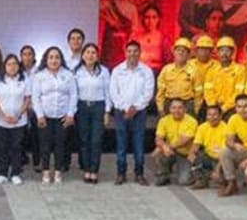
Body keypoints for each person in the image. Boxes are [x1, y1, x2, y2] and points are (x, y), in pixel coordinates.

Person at [108, 40, 155, 186]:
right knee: (121, 144)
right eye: (130, 51)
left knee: (138, 144)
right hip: (121, 113)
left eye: (135, 51)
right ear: (125, 52)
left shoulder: (146, 71)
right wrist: (125, 108)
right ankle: (121, 173)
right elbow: (113, 92)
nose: (132, 54)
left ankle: (139, 174)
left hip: (139, 113)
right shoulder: (117, 70)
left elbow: (148, 93)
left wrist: (135, 108)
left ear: (140, 52)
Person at [31, 48, 77, 183]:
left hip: (62, 116)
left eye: (57, 57)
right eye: (51, 57)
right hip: (44, 117)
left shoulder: (68, 75)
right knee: (44, 145)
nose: (54, 60)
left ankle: (57, 171)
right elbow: (35, 97)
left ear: (61, 59)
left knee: (60, 145)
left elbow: (73, 95)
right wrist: (39, 115)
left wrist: (70, 114)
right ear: (46, 59)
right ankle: (45, 171)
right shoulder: (39, 76)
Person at [0, 54, 31, 184]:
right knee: (2, 147)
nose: (12, 67)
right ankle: (3, 173)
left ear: (19, 66)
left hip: (19, 120)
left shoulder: (24, 80)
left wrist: (18, 115)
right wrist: (2, 115)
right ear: (4, 66)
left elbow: (27, 99)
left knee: (16, 147)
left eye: (15, 64)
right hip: (1, 120)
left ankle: (15, 173)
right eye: (9, 64)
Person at [72, 43, 110, 185]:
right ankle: (86, 169)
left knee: (96, 141)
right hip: (82, 107)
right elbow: (73, 93)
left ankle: (94, 170)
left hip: (98, 107)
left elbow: (107, 93)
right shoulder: (76, 72)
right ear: (82, 55)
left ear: (97, 55)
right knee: (84, 141)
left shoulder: (104, 72)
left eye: (93, 52)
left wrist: (107, 111)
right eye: (87, 52)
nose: (90, 55)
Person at [151, 98, 198, 188]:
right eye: (174, 108)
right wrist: (163, 147)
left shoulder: (192, 121)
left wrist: (167, 147)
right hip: (171, 152)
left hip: (186, 154)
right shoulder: (163, 120)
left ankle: (193, 173)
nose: (177, 110)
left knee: (183, 181)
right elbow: (158, 139)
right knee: (158, 151)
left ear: (185, 109)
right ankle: (163, 175)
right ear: (169, 109)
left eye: (180, 108)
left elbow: (184, 141)